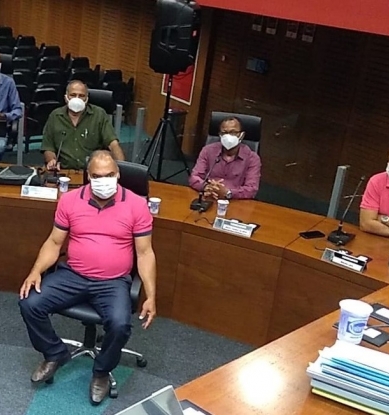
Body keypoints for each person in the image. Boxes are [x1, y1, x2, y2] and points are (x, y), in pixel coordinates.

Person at [18, 150, 157, 405]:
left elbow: (145, 253)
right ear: (88, 176)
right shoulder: (70, 200)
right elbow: (54, 242)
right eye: (97, 176)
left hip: (113, 282)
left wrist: (150, 294)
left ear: (118, 174)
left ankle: (101, 372)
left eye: (109, 175)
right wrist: (35, 271)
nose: (104, 181)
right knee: (29, 302)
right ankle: (54, 353)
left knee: (120, 324)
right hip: (73, 275)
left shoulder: (137, 204)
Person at [41, 80, 125, 171]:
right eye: (73, 95)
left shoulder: (99, 115)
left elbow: (113, 144)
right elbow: (48, 147)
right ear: (66, 97)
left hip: (93, 171)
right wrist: (52, 160)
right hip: (64, 171)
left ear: (87, 99)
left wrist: (122, 169)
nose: (77, 99)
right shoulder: (55, 116)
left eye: (81, 96)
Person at [189, 116, 261, 200]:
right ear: (220, 135)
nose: (228, 136)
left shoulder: (252, 158)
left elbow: (251, 189)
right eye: (224, 133)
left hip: (236, 201)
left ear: (242, 135)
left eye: (233, 132)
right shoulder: (208, 151)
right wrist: (206, 187)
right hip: (209, 197)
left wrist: (228, 193)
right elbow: (194, 177)